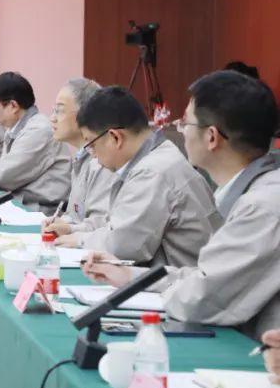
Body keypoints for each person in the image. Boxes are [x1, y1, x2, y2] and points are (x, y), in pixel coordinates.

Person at [83, 71, 280, 338]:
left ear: (211, 137)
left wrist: (145, 285)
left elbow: (201, 298)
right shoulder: (251, 192)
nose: (180, 130)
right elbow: (205, 277)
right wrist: (130, 276)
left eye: (185, 122)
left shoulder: (262, 206)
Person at [62, 86, 220, 267]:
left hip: (178, 280)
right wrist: (72, 230)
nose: (93, 155)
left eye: (91, 144)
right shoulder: (155, 156)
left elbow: (122, 246)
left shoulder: (153, 172)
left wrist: (79, 240)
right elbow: (116, 223)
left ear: (115, 138)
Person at [0, 72, 71, 209]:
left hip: (40, 210)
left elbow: (2, 175)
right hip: (22, 203)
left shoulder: (38, 131)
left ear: (13, 106)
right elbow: (0, 165)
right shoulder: (17, 127)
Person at [43, 78, 117, 234]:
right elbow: (76, 215)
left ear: (85, 113)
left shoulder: (103, 160)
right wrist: (62, 221)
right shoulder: (80, 157)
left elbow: (100, 225)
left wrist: (69, 228)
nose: (52, 118)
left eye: (59, 110)